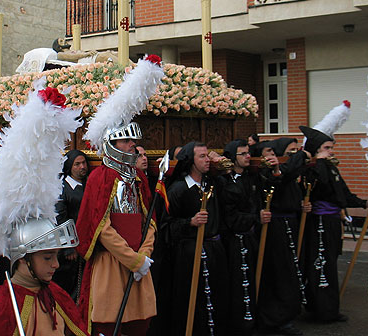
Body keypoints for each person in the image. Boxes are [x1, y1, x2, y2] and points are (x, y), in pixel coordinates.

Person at [0, 84, 87, 335]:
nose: (55, 264)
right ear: (23, 258)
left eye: (54, 255)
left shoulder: (58, 297)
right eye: (46, 257)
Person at [77, 54, 163, 336]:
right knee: (108, 322)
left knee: (140, 324)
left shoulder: (137, 177)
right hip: (113, 264)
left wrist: (145, 253)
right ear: (111, 143)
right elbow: (101, 228)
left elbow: (147, 219)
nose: (131, 146)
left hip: (138, 260)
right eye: (125, 140)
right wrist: (133, 259)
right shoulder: (100, 177)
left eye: (133, 141)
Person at [300, 117, 368, 323]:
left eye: (331, 147)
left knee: (331, 264)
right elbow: (322, 185)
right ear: (316, 149)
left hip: (333, 221)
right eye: (326, 147)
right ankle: (320, 309)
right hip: (320, 222)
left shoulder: (331, 167)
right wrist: (322, 161)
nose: (330, 151)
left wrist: (363, 203)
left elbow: (342, 192)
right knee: (321, 265)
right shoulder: (313, 168)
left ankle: (329, 308)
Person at [162, 141, 229, 336]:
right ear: (191, 161)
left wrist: (222, 166)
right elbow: (167, 226)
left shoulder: (212, 184)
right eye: (202, 156)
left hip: (214, 250)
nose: (207, 160)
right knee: (194, 300)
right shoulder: (178, 190)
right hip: (190, 254)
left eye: (207, 155)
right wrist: (189, 222)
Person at [255, 139, 307, 336]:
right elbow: (280, 178)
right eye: (289, 152)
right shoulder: (269, 172)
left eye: (295, 151)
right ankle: (275, 318)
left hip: (289, 224)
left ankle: (288, 313)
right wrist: (301, 155)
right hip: (275, 226)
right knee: (279, 273)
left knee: (290, 271)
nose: (292, 155)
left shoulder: (287, 171)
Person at [220, 139, 264, 335]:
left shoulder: (251, 178)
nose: (248, 157)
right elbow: (230, 213)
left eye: (248, 153)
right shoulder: (225, 181)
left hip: (251, 236)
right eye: (243, 154)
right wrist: (255, 218)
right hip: (235, 239)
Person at [54, 149, 88, 300]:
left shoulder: (87, 184)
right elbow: (61, 218)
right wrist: (68, 247)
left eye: (84, 163)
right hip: (70, 249)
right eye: (77, 164)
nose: (82, 167)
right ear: (69, 167)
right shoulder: (63, 188)